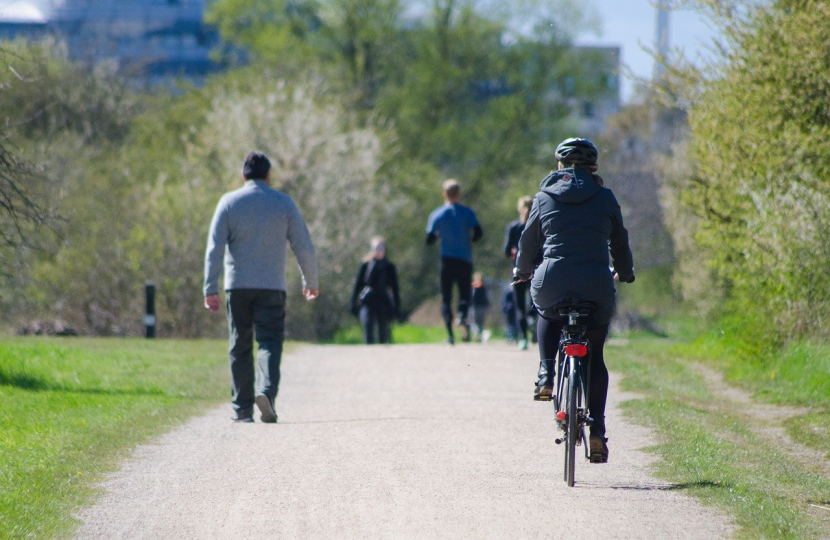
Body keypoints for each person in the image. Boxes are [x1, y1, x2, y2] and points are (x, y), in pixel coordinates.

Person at [514, 138, 634, 463]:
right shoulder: (605, 197)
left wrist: (521, 271)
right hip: (596, 283)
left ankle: (546, 374)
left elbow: (527, 242)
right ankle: (597, 430)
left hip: (552, 279)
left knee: (546, 311)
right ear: (593, 167)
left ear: (559, 166)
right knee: (596, 355)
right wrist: (625, 272)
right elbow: (619, 242)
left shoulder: (543, 197)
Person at [204, 151, 319, 424]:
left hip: (238, 286)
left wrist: (210, 287)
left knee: (239, 344)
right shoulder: (284, 203)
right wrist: (311, 281)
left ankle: (242, 410)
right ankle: (265, 392)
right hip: (271, 286)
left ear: (243, 175)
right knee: (269, 342)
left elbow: (214, 247)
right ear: (268, 176)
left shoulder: (228, 202)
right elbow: (303, 244)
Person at [425, 179, 483, 345]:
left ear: (444, 194)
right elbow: (478, 233)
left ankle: (450, 336)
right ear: (459, 194)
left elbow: (429, 240)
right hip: (464, 259)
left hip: (446, 260)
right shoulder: (468, 213)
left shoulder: (437, 214)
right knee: (465, 294)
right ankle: (462, 315)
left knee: (446, 298)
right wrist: (469, 240)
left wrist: (439, 235)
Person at [503, 195, 538, 350]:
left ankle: (523, 338)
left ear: (519, 208)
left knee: (519, 306)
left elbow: (506, 251)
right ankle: (533, 319)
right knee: (535, 300)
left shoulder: (514, 227)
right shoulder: (538, 226)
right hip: (536, 269)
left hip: (518, 269)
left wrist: (513, 252)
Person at [350, 237, 401, 344]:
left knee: (383, 331)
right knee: (367, 325)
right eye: (376, 248)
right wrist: (353, 303)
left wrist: (397, 307)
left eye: (381, 248)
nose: (378, 251)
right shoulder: (365, 266)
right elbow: (358, 285)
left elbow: (395, 289)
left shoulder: (389, 267)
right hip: (368, 300)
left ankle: (381, 356)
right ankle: (368, 354)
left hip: (383, 301)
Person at [469, 272, 490, 342]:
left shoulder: (473, 287)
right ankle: (479, 335)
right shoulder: (484, 287)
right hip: (482, 307)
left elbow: (471, 297)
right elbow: (486, 298)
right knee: (481, 323)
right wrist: (488, 306)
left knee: (474, 322)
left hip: (475, 307)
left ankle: (477, 334)